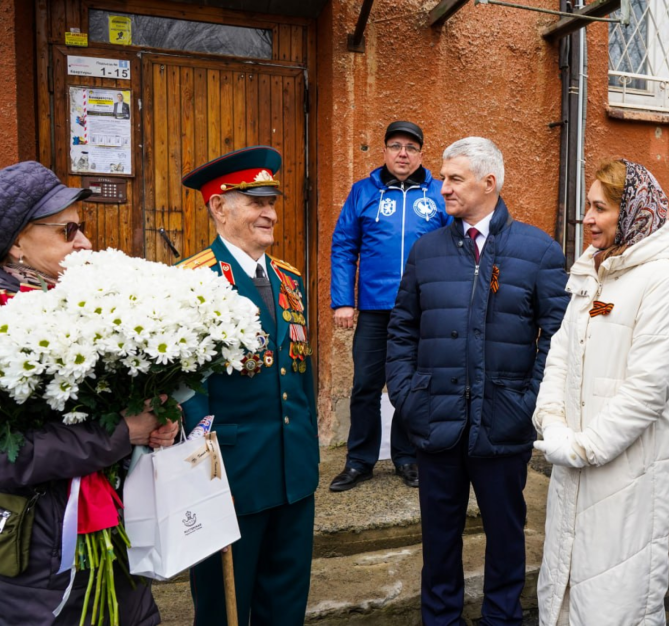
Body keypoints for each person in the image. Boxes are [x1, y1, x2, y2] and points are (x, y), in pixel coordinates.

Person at [386, 137, 568, 625]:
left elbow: (558, 336)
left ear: (489, 183)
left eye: (454, 178)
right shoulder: (426, 251)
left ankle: (501, 618)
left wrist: (527, 401)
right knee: (438, 539)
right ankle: (440, 619)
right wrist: (407, 395)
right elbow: (402, 328)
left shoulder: (538, 250)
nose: (442, 187)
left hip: (503, 424)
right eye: (443, 178)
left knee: (506, 536)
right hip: (435, 419)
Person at [0, 161, 175, 625]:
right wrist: (121, 433)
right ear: (16, 243)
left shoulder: (90, 309)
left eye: (81, 228)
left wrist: (159, 421)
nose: (85, 243)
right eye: (67, 231)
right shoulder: (6, 324)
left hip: (117, 542)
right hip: (39, 565)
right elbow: (7, 456)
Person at [533, 159, 669, 626]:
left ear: (632, 211)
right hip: (572, 461)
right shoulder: (593, 271)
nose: (587, 218)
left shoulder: (662, 280)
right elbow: (560, 353)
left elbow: (649, 389)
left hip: (626, 474)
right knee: (565, 585)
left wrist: (583, 447)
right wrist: (552, 422)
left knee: (615, 600)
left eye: (599, 208)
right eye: (587, 206)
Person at [179, 146, 319, 626]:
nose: (270, 213)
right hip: (232, 476)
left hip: (293, 473)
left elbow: (301, 375)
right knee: (224, 610)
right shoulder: (194, 281)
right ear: (219, 207)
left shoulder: (289, 280)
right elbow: (189, 392)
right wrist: (204, 476)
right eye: (257, 202)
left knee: (286, 606)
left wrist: (308, 454)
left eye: (272, 202)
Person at [329, 121, 449, 492]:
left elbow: (454, 246)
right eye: (395, 146)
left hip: (423, 308)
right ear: (384, 151)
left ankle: (408, 457)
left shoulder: (438, 194)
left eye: (411, 148)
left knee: (414, 384)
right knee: (365, 385)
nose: (403, 153)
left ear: (421, 154)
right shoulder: (363, 191)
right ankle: (359, 461)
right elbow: (344, 246)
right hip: (375, 308)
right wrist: (343, 301)